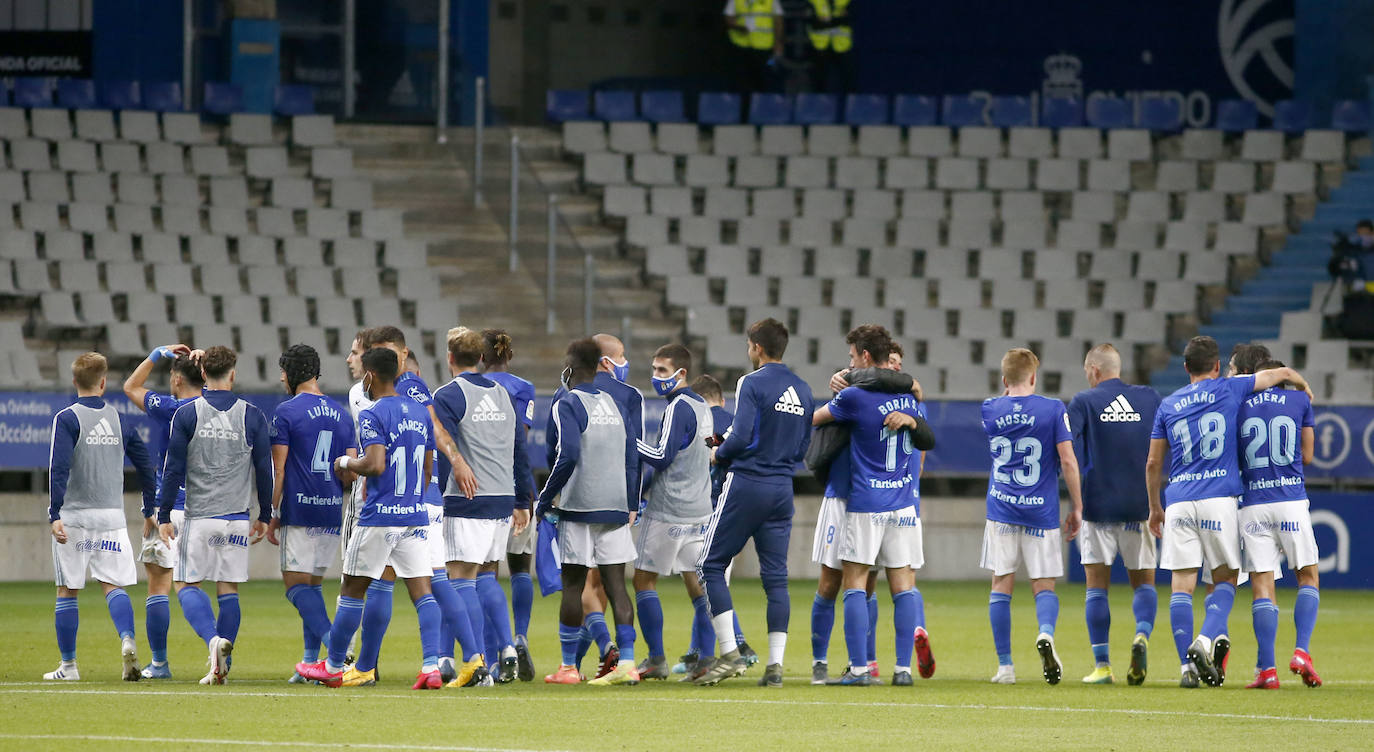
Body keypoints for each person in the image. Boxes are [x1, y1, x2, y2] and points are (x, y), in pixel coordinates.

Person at [1145, 335, 1313, 688]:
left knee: (1181, 586)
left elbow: (1152, 464)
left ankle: (1186, 669)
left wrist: (1155, 507)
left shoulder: (1168, 404)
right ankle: (1206, 639)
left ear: (1185, 367)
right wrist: (1299, 382)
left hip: (1178, 500)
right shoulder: (1228, 389)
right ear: (1218, 366)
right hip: (1219, 498)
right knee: (1225, 579)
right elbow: (1276, 375)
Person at [295, 347, 446, 690]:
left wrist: (345, 463)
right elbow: (427, 469)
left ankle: (334, 666)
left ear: (370, 375)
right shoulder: (420, 412)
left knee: (352, 588)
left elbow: (375, 464)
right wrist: (410, 501)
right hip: (413, 515)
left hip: (379, 517)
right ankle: (430, 667)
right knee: (422, 591)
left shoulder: (372, 413)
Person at [694, 318, 813, 687]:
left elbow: (742, 435)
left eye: (749, 345)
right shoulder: (804, 389)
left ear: (757, 348)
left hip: (747, 483)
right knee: (776, 578)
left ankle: (730, 652)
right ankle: (775, 666)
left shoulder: (751, 382)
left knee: (708, 564)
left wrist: (720, 453)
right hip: (782, 489)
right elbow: (802, 448)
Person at [811, 325, 932, 687]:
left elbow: (813, 419)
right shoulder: (909, 399)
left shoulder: (853, 397)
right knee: (903, 585)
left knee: (853, 583)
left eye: (852, 357)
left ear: (864, 357)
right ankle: (902, 670)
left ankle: (859, 669)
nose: (849, 364)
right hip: (902, 503)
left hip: (864, 501)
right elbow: (926, 440)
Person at [156, 346, 273, 685]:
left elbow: (173, 469)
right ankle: (222, 665)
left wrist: (164, 514)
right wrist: (265, 513)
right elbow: (264, 470)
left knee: (185, 584)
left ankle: (212, 642)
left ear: (203, 374)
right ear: (233, 374)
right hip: (236, 518)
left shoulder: (187, 413)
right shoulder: (252, 415)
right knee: (228, 589)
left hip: (200, 517)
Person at [44, 352, 158, 682]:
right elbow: (145, 466)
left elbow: (58, 468)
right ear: (104, 383)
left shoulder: (67, 418)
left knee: (68, 589)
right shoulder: (120, 420)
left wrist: (54, 513)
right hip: (111, 517)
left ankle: (69, 667)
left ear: (74, 381)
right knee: (113, 585)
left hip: (75, 517)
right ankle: (127, 639)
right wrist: (149, 508)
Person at [432, 326, 534, 686]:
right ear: (480, 358)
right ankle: (506, 650)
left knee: (459, 578)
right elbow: (519, 449)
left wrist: (441, 494)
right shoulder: (503, 394)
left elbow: (445, 446)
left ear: (449, 357)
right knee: (488, 576)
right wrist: (522, 500)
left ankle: (473, 661)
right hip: (503, 498)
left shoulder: (447, 394)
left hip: (468, 497)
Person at [538, 338, 641, 685]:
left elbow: (566, 455)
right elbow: (631, 457)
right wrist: (630, 502)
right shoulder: (616, 404)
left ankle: (568, 668)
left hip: (580, 507)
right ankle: (627, 665)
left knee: (573, 585)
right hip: (615, 507)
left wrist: (545, 498)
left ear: (569, 368)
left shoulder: (567, 402)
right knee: (616, 586)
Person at [981, 348, 1083, 686]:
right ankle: (1045, 633)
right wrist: (1077, 506)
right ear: (1034, 377)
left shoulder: (990, 408)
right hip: (1041, 509)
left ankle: (1005, 667)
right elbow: (1067, 461)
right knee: (1043, 585)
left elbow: (1003, 417)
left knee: (1001, 583)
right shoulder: (1053, 409)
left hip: (1001, 509)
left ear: (1003, 379)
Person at [1065, 343, 1162, 686]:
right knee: (1143, 583)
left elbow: (1068, 449)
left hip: (1098, 504)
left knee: (1096, 587)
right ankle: (1141, 635)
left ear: (1094, 370)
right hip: (1139, 504)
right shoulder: (1149, 398)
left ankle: (1103, 666)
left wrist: (1074, 504)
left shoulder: (1083, 401)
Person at [267, 345, 357, 684]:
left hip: (300, 509)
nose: (281, 379)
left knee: (295, 586)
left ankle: (337, 649)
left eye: (283, 372)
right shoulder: (342, 414)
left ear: (293, 373)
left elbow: (279, 469)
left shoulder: (285, 412)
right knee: (313, 587)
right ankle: (308, 663)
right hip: (332, 508)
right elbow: (349, 474)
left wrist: (271, 511)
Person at [1234, 358, 1322, 689]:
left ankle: (1267, 671)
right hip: (1290, 501)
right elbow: (1308, 456)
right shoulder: (1299, 401)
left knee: (1262, 585)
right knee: (1307, 576)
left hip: (1253, 504)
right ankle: (1301, 651)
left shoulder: (1239, 404)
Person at [631, 344, 716, 681]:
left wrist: (628, 440)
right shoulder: (702, 406)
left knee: (643, 580)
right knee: (698, 585)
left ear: (681, 373)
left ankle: (656, 659)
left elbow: (662, 456)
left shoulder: (678, 406)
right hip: (700, 509)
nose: (656, 377)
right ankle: (706, 659)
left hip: (669, 510)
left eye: (662, 371)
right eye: (654, 369)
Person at [123, 344, 202, 679]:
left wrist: (156, 355)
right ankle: (219, 653)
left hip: (167, 510)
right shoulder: (216, 408)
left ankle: (159, 663)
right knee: (208, 587)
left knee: (159, 586)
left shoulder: (170, 408)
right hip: (206, 510)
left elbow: (131, 387)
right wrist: (206, 361)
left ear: (177, 378)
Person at [480, 328, 539, 681]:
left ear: (480, 356)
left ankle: (495, 654)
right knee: (520, 567)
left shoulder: (474, 388)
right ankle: (520, 636)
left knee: (485, 573)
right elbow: (522, 440)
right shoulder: (524, 387)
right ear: (509, 354)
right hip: (521, 487)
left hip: (485, 487)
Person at [723, 0, 784, 93]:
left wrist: (778, 43)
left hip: (765, 46)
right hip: (741, 45)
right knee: (742, 79)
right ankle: (745, 100)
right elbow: (728, 16)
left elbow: (778, 20)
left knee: (766, 76)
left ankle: (763, 99)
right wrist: (737, 27)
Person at [806, 0, 854, 94]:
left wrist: (827, 22)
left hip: (842, 47)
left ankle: (849, 101)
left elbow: (851, 18)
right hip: (820, 48)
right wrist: (838, 20)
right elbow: (813, 23)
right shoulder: (814, 1)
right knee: (819, 82)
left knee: (848, 82)